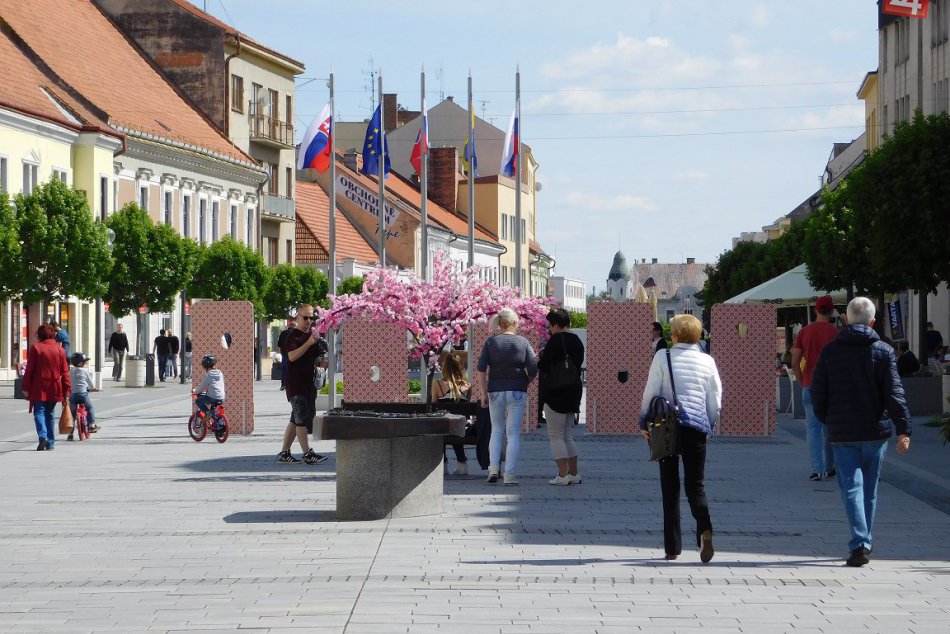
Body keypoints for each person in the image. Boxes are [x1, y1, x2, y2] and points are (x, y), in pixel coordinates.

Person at [810, 297, 912, 567]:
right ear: (873, 321)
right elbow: (894, 393)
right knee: (870, 489)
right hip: (874, 432)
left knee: (851, 488)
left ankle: (860, 542)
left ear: (846, 319)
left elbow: (818, 393)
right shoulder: (883, 351)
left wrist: (829, 420)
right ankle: (863, 541)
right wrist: (903, 429)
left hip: (842, 434)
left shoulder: (831, 351)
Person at [639, 314, 722, 563]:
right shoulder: (708, 361)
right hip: (696, 428)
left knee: (670, 485)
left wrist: (643, 421)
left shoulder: (663, 356)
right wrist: (709, 425)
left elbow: (651, 391)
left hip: (667, 428)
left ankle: (672, 547)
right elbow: (715, 401)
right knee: (696, 484)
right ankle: (705, 529)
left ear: (674, 335)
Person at [476, 307, 538, 485]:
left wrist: (483, 393)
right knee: (513, 434)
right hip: (517, 390)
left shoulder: (491, 342)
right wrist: (525, 381)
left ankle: (493, 470)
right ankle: (509, 474)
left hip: (495, 390)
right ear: (515, 323)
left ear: (500, 324)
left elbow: (481, 369)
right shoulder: (523, 342)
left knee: (496, 431)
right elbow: (533, 369)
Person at [791, 295, 839, 481]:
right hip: (831, 387)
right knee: (829, 429)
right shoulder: (836, 333)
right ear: (832, 311)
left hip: (810, 384)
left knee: (812, 428)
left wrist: (802, 380)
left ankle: (817, 469)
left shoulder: (805, 332)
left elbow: (795, 361)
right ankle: (829, 466)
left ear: (815, 310)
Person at [538, 307, 585, 486]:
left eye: (550, 325)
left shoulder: (555, 341)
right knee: (567, 434)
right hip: (573, 389)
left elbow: (544, 365)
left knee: (555, 435)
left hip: (556, 391)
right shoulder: (577, 341)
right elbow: (577, 363)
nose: (549, 329)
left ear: (557, 324)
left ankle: (562, 475)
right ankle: (574, 473)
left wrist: (540, 359)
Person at [276, 304, 328, 465]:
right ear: (297, 318)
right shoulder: (292, 336)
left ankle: (284, 453)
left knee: (294, 419)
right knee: (301, 420)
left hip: (308, 385)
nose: (308, 321)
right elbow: (292, 356)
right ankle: (307, 454)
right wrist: (308, 343)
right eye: (305, 317)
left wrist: (322, 362)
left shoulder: (313, 337)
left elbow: (315, 359)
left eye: (311, 317)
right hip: (296, 385)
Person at [22, 324, 71, 451]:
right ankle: (51, 443)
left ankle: (43, 437)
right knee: (50, 413)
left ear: (40, 335)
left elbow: (29, 370)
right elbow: (65, 372)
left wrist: (25, 387)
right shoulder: (60, 350)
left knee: (39, 412)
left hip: (39, 386)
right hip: (55, 386)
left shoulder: (36, 348)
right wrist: (67, 391)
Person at [433, 351, 474, 475]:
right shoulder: (467, 386)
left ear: (444, 367)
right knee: (457, 425)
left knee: (444, 426)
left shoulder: (437, 384)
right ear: (460, 367)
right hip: (462, 429)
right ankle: (462, 465)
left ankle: (443, 466)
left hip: (443, 427)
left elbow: (434, 405)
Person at [68, 352, 99, 439]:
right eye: (84, 362)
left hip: (73, 395)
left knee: (72, 414)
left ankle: (70, 434)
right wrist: (93, 388)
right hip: (83, 395)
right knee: (90, 408)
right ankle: (92, 425)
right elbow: (91, 383)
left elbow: (68, 382)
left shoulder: (70, 371)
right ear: (80, 363)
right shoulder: (84, 371)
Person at [193, 355, 226, 433]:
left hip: (212, 397)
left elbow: (202, 387)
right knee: (213, 410)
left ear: (205, 366)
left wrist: (195, 391)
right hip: (221, 397)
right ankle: (218, 425)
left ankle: (207, 413)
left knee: (198, 401)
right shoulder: (220, 373)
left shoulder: (208, 375)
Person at [276, 318, 295, 391]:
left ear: (289, 326)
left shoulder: (283, 333)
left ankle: (283, 384)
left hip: (285, 354)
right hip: (294, 354)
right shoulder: (296, 333)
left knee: (284, 369)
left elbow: (279, 344)